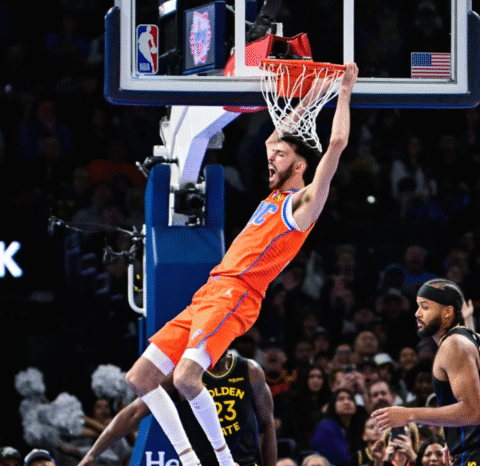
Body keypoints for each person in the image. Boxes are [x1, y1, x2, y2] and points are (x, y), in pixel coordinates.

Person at [123, 63, 359, 466]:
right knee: (140, 378)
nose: (271, 157)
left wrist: (344, 90)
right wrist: (315, 92)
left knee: (185, 378)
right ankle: (189, 458)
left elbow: (336, 142)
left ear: (300, 166)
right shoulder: (273, 196)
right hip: (210, 292)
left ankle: (224, 461)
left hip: (238, 294)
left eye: (281, 156)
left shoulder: (303, 205)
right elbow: (273, 136)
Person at [372, 278, 480, 465]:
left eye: (425, 307)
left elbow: (473, 412)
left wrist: (408, 414)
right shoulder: (476, 338)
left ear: (447, 312)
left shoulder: (453, 344)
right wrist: (457, 436)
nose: (417, 313)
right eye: (418, 306)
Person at [78, 351, 276, 466]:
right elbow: (133, 413)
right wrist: (92, 454)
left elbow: (267, 425)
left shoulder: (250, 371)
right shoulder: (181, 376)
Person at [310, 387, 367, 466]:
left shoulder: (360, 425)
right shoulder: (326, 427)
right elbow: (343, 460)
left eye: (350, 399)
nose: (346, 402)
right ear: (333, 404)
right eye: (341, 399)